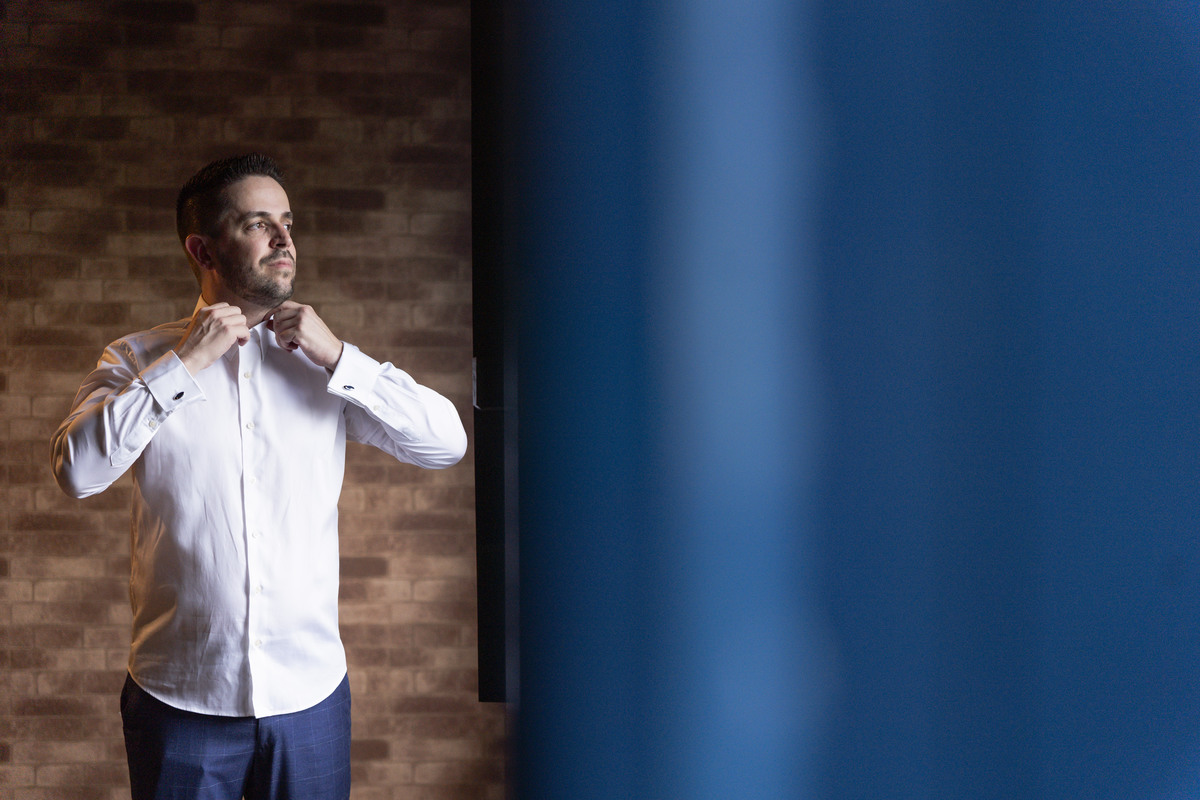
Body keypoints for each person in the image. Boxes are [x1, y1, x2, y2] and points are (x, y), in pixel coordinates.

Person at [50, 153, 468, 800]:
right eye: (257, 223)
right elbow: (78, 472)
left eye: (287, 222)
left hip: (310, 697)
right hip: (178, 699)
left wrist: (340, 356)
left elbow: (445, 443)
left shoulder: (323, 366)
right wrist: (183, 365)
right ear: (203, 250)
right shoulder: (136, 359)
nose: (284, 239)